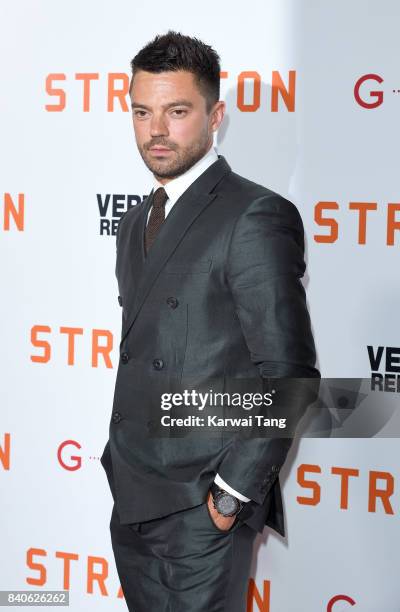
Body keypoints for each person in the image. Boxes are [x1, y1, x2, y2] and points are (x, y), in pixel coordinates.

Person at [100, 30, 320, 612]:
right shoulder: (136, 220)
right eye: (142, 112)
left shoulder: (255, 214)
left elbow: (289, 374)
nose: (156, 130)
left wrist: (230, 496)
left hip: (201, 511)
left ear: (215, 115)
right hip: (134, 496)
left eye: (177, 111)